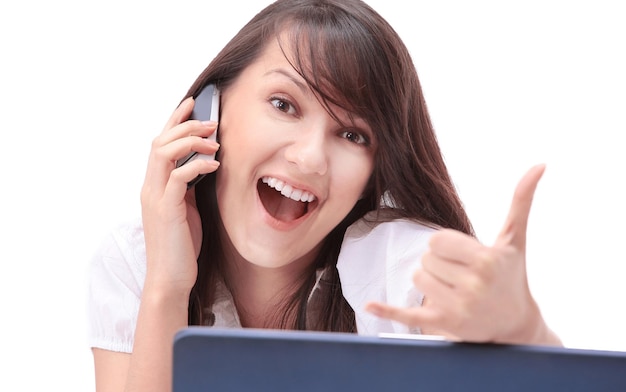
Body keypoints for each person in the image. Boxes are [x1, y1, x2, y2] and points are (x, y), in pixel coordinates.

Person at [87, 0, 562, 390]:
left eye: (353, 135)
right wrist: (167, 287)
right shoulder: (134, 260)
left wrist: (526, 332)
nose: (311, 157)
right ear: (211, 109)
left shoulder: (403, 269)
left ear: (375, 173)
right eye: (284, 105)